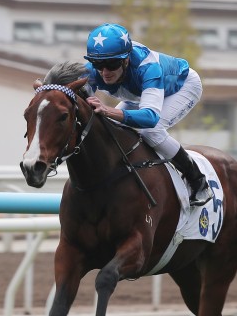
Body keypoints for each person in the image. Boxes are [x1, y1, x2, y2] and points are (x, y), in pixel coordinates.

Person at [82, 23, 213, 206]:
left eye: (111, 64)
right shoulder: (92, 69)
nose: (104, 72)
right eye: (98, 65)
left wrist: (108, 110)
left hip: (181, 87)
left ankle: (198, 181)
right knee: (112, 128)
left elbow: (150, 118)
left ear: (126, 60)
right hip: (138, 95)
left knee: (151, 131)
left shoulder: (147, 67)